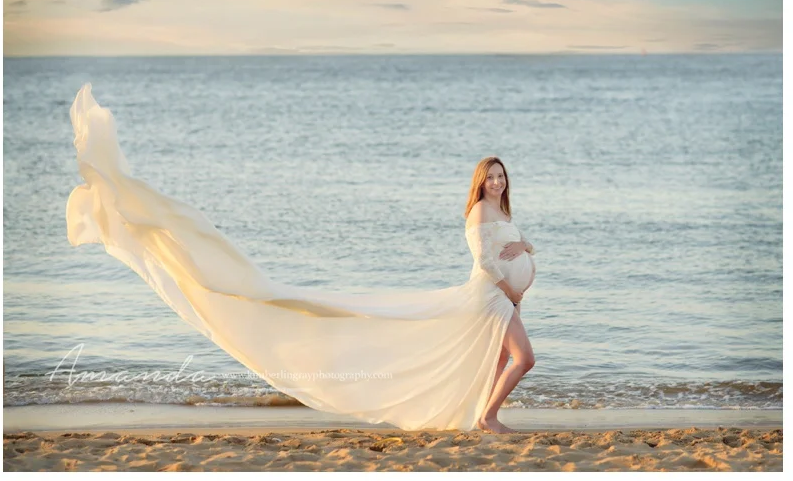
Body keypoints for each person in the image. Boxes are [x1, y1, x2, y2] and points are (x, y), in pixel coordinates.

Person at [67, 85, 535, 432]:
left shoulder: (500, 210)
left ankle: (482, 414)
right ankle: (488, 418)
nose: (497, 181)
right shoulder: (479, 210)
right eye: (491, 176)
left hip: (503, 298)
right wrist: (511, 288)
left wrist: (525, 250)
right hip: (491, 296)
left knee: (497, 360)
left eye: (501, 176)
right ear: (480, 182)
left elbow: (510, 246)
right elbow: (485, 260)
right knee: (523, 359)